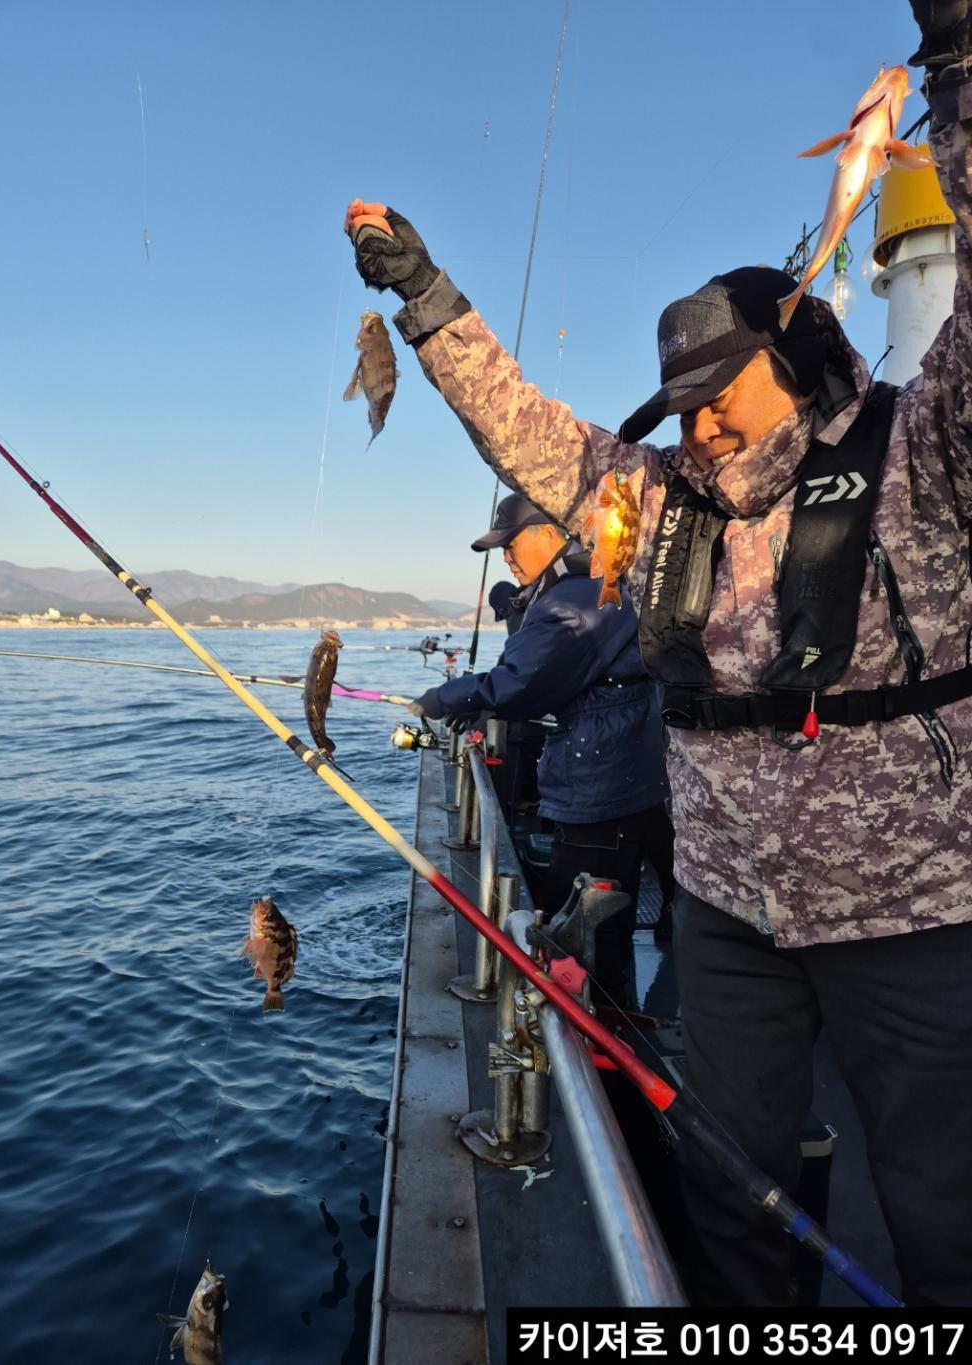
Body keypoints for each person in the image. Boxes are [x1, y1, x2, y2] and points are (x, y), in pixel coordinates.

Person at [344, 5, 972, 1307]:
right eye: (681, 395)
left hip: (914, 908)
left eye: (722, 388)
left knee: (942, 1194)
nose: (696, 419)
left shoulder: (923, 452)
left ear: (803, 363)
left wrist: (960, 71)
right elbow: (528, 433)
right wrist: (425, 296)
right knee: (731, 1176)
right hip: (730, 902)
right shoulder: (665, 500)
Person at [408, 493, 674, 1000]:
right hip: (633, 769)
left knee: (588, 924)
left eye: (511, 546)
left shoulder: (569, 603)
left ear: (549, 534)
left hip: (599, 783)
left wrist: (445, 697)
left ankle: (599, 1036)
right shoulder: (587, 584)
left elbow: (520, 684)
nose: (507, 558)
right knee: (615, 900)